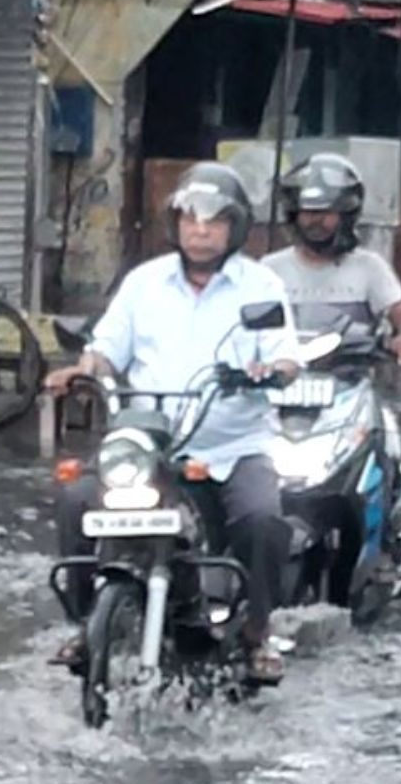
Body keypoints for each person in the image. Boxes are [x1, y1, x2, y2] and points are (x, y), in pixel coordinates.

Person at [43, 162, 300, 683]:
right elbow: (107, 350)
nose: (200, 230)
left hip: (232, 447)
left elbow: (286, 357)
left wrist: (270, 370)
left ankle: (256, 632)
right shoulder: (144, 283)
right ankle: (86, 619)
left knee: (262, 517)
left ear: (236, 226)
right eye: (189, 218)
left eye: (213, 220)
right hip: (149, 448)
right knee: (75, 498)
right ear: (175, 224)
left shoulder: (262, 285)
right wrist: (82, 369)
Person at [263, 153, 401, 363]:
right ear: (294, 215)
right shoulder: (270, 270)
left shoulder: (369, 266)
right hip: (284, 381)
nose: (316, 221)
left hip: (354, 379)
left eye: (326, 213)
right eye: (309, 213)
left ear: (346, 215)